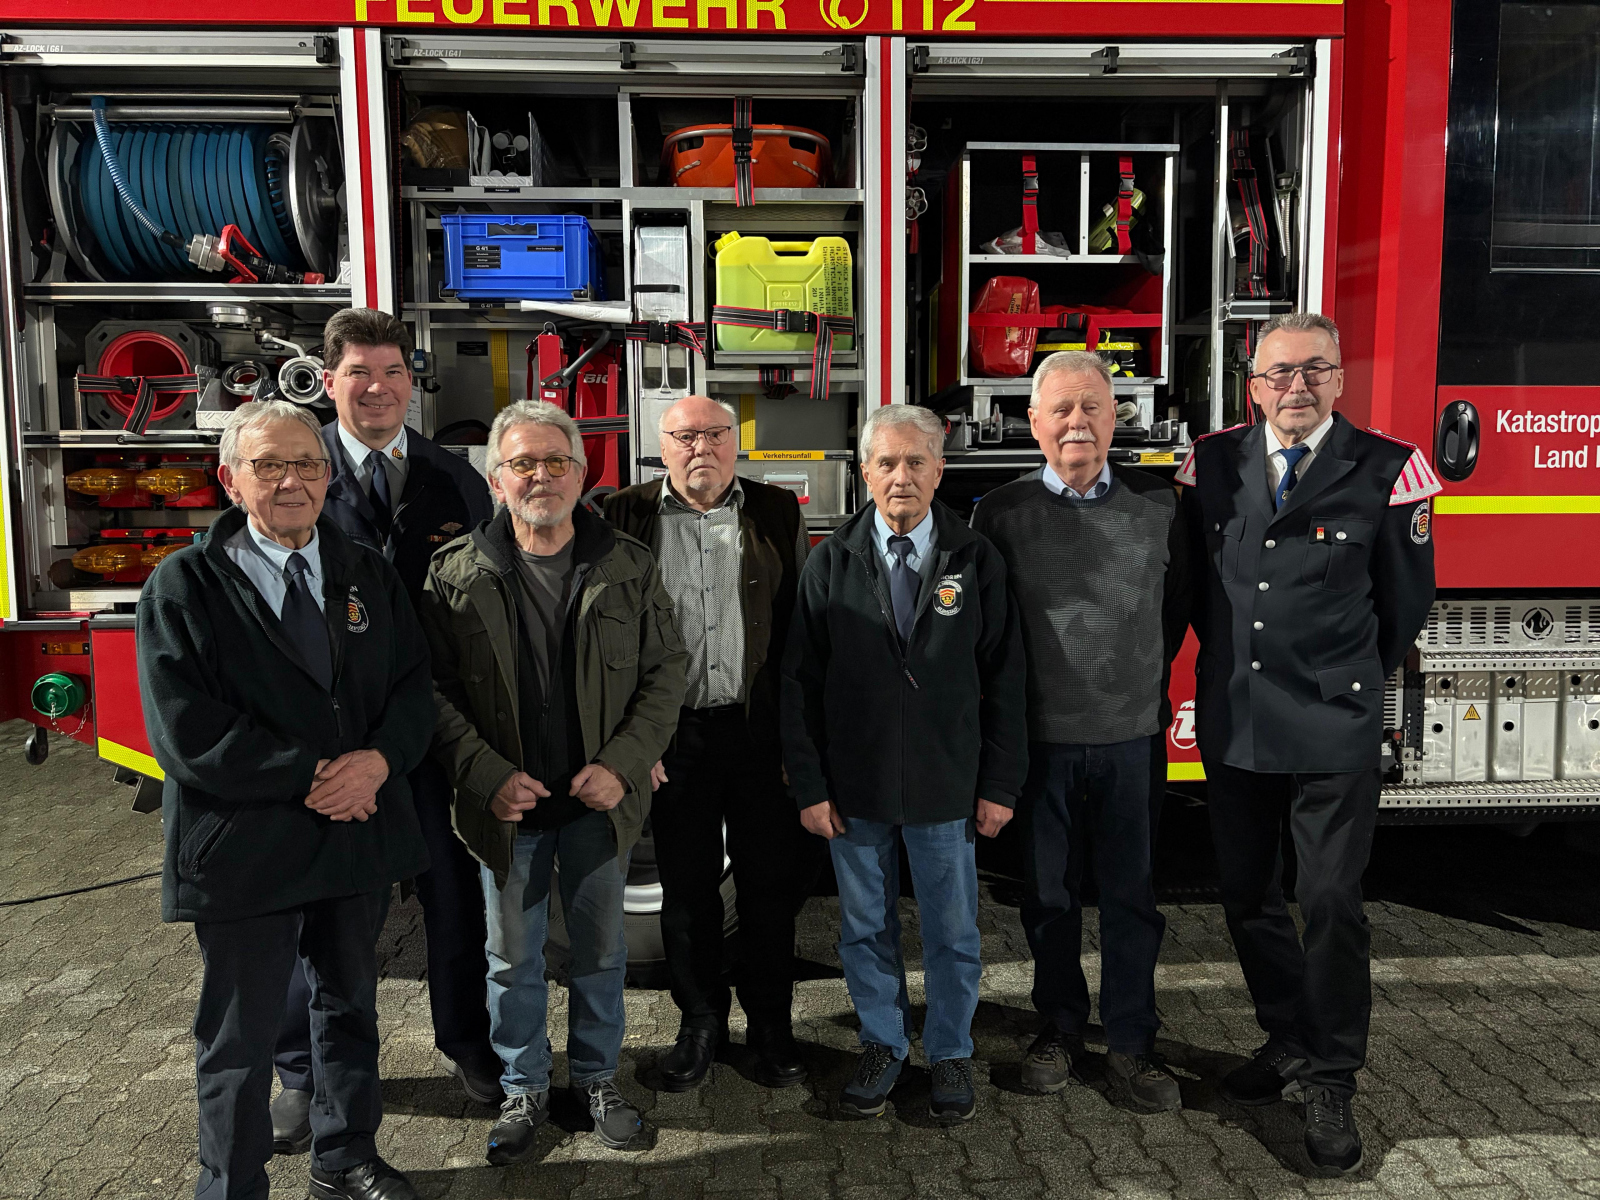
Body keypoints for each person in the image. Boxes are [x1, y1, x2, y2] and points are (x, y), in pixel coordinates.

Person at [137, 400, 435, 1200]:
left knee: (348, 1010)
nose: (290, 481)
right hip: (246, 842)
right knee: (240, 1037)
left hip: (353, 836)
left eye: (305, 464)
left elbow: (413, 686)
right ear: (230, 479)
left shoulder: (364, 570)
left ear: (327, 476)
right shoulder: (184, 585)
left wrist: (379, 762)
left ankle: (345, 1158)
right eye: (268, 465)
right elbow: (186, 729)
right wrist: (314, 775)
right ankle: (230, 1184)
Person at [1176, 311, 1438, 1174]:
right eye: (1280, 372)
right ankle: (1287, 1036)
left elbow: (1403, 606)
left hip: (1332, 721)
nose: (1297, 387)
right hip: (1239, 715)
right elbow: (1193, 589)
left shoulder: (1390, 468)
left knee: (1328, 901)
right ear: (1252, 386)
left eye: (1315, 370)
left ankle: (1331, 1077)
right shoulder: (1210, 463)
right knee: (1246, 893)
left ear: (1339, 379)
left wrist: (1342, 678)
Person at [419, 399, 687, 1165]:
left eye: (555, 461)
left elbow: (667, 672)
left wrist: (623, 765)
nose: (540, 475)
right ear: (496, 479)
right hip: (506, 811)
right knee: (512, 961)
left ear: (582, 472)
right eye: (522, 463)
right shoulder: (454, 572)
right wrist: (487, 775)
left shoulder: (628, 564)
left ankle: (598, 1081)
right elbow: (430, 690)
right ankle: (524, 1088)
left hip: (598, 808)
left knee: (601, 957)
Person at [269, 310, 500, 1155]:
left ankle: (468, 1043)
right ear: (328, 381)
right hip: (330, 739)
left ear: (413, 379)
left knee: (454, 897)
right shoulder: (298, 473)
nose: (378, 388)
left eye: (393, 371)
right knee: (320, 913)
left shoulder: (454, 478)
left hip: (431, 728)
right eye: (359, 372)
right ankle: (303, 1072)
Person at [782, 403, 1027, 1125]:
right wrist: (810, 785)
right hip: (854, 790)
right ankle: (883, 1044)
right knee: (864, 929)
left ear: (940, 470)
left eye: (916, 461)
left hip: (946, 786)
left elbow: (1007, 679)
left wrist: (1000, 783)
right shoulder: (830, 561)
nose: (901, 476)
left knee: (952, 933)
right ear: (864, 472)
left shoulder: (975, 560)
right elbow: (797, 682)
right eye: (886, 462)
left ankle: (949, 1051)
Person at [971, 351, 1190, 1111]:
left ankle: (1132, 1042)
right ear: (1033, 422)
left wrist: (1136, 683)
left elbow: (1176, 608)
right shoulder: (999, 513)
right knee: (1048, 898)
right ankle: (1059, 1027)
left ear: (1115, 418)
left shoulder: (1161, 505)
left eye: (1093, 407)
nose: (1077, 423)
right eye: (1061, 409)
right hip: (1042, 743)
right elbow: (990, 633)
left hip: (1132, 737)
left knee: (1132, 897)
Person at [601, 395, 819, 1093]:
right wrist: (634, 742)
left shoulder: (776, 511)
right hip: (672, 737)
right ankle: (700, 1023)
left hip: (757, 731)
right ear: (661, 446)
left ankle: (772, 1026)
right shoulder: (622, 514)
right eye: (685, 436)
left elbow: (797, 634)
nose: (702, 447)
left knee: (769, 887)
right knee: (688, 889)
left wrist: (794, 740)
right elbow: (608, 639)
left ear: (736, 442)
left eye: (716, 434)